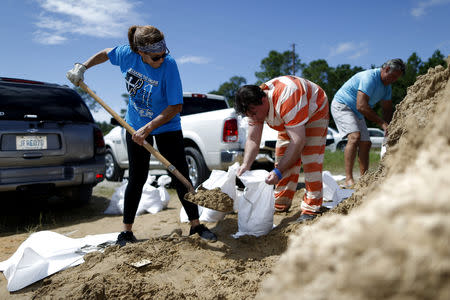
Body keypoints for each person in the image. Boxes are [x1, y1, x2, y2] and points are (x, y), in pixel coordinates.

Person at [66, 25, 217, 245]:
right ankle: (127, 231)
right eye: (156, 57)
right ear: (141, 53)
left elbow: (175, 106)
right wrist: (83, 67)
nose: (161, 59)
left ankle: (196, 225)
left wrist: (149, 129)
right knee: (137, 177)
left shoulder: (169, 65)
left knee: (179, 174)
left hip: (166, 125)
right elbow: (105, 53)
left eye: (164, 54)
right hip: (134, 125)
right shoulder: (127, 54)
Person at [235, 76, 329, 222]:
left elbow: (298, 141)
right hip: (290, 118)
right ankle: (281, 203)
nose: (253, 118)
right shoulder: (253, 107)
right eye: (249, 115)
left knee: (311, 158)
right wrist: (246, 165)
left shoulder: (286, 97)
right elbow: (253, 139)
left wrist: (278, 172)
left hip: (314, 109)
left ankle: (312, 208)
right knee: (282, 156)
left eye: (254, 114)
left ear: (264, 100)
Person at [331, 58, 405, 187]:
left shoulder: (387, 87)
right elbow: (361, 105)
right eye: (393, 76)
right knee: (354, 137)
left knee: (366, 143)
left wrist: (391, 127)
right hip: (343, 105)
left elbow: (387, 109)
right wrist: (382, 124)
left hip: (358, 112)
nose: (394, 80)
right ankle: (348, 179)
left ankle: (364, 179)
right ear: (386, 69)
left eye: (396, 78)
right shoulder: (370, 77)